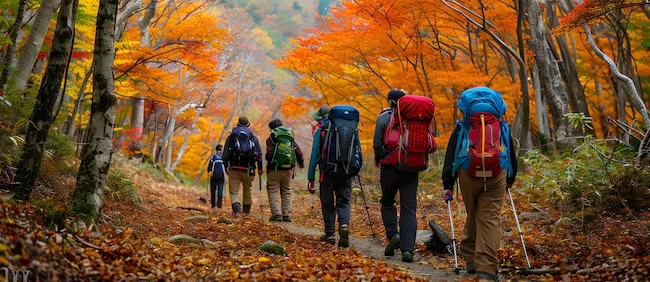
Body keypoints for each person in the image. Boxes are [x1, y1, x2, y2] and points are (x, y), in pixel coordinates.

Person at [441, 87, 518, 282]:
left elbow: (451, 153)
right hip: (496, 173)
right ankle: (487, 268)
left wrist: (447, 183)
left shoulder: (463, 126)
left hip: (468, 173)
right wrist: (510, 177)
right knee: (490, 219)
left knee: (473, 214)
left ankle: (470, 260)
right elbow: (510, 152)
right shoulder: (501, 124)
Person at [307, 105, 362, 248]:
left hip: (327, 171)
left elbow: (315, 155)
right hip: (346, 171)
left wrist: (311, 177)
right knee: (344, 202)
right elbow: (358, 152)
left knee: (327, 203)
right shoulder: (353, 129)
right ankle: (344, 225)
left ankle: (330, 234)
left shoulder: (322, 129)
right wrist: (355, 170)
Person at [373, 89, 418, 263]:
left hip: (389, 168)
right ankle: (408, 250)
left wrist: (379, 159)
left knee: (387, 201)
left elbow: (377, 144)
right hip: (412, 169)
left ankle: (393, 235)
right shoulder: (414, 118)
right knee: (409, 208)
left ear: (390, 101)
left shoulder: (383, 118)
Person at [265, 119, 305, 222]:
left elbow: (269, 154)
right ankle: (287, 214)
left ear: (272, 129)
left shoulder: (271, 138)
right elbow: (298, 151)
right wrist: (301, 163)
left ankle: (277, 213)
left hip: (274, 169)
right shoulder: (289, 137)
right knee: (286, 190)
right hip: (288, 168)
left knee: (273, 190)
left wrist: (270, 163)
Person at [222, 116, 263, 214]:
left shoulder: (232, 137)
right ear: (248, 124)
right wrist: (260, 167)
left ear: (238, 123)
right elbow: (259, 153)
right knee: (247, 189)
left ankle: (237, 209)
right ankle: (246, 213)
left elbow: (225, 154)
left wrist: (226, 166)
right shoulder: (252, 137)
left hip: (234, 167)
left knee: (234, 191)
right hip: (249, 168)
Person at [207, 144, 226, 208]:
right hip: (221, 175)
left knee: (213, 190)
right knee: (220, 190)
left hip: (213, 175)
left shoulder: (213, 156)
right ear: (221, 149)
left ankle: (213, 205)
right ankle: (219, 204)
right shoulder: (223, 156)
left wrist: (209, 171)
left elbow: (210, 165)